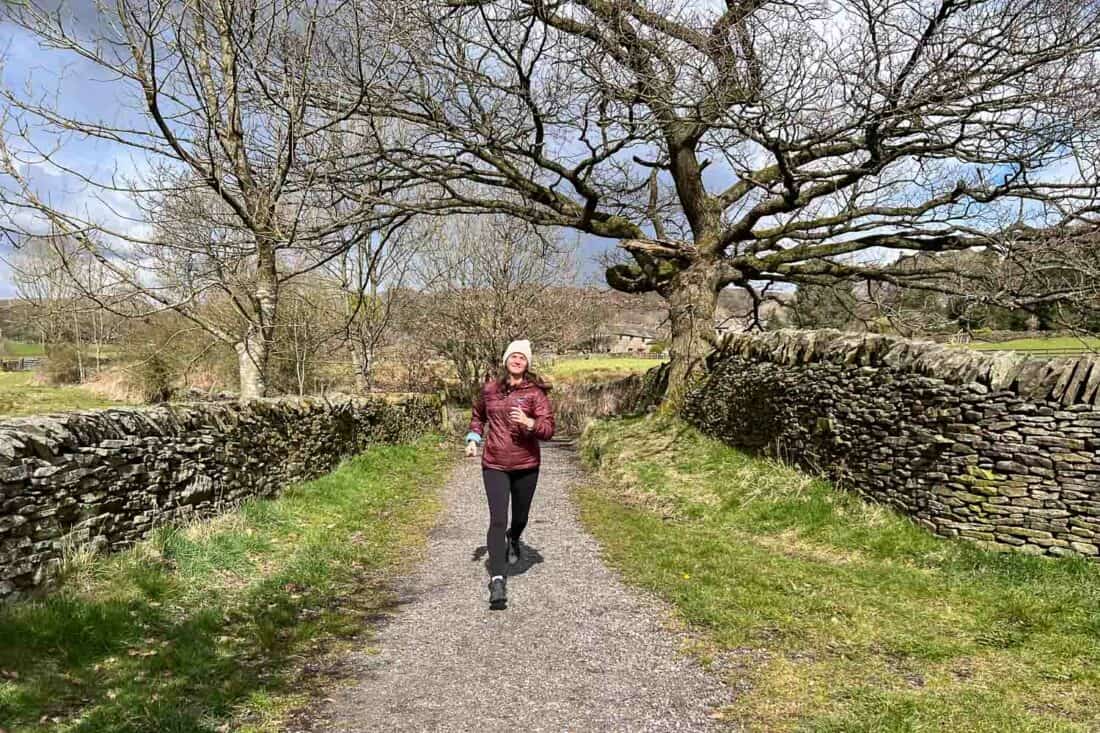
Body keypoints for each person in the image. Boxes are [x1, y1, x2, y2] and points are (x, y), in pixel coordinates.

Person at [465, 339, 555, 609]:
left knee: (520, 518)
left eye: (522, 358)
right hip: (494, 463)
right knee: (497, 520)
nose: (517, 361)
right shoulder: (490, 390)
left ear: (527, 364)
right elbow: (477, 416)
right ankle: (497, 580)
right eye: (513, 356)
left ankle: (514, 537)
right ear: (506, 360)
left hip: (526, 464)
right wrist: (473, 439)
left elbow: (549, 429)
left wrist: (529, 422)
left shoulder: (535, 393)